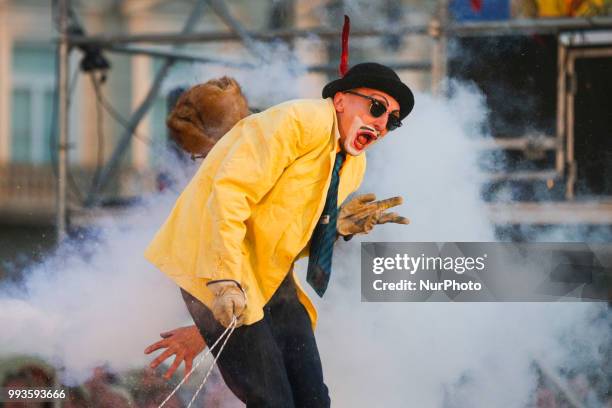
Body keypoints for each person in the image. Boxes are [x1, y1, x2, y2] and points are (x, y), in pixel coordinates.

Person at [145, 61, 414, 407]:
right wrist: (225, 279)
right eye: (377, 107)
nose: (382, 124)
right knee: (273, 402)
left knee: (314, 400)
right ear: (341, 100)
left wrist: (333, 230)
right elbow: (230, 194)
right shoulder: (299, 120)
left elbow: (285, 238)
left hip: (268, 280)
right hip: (216, 263)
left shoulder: (353, 164)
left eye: (392, 120)